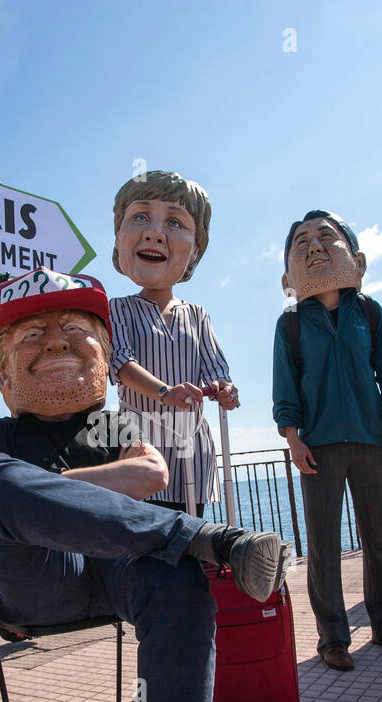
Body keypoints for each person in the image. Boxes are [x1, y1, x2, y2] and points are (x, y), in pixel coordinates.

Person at [0, 269, 291, 702]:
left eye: (74, 329)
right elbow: (4, 500)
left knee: (179, 582)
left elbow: (153, 475)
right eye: (33, 333)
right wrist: (62, 499)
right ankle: (206, 538)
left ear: (105, 353)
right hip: (37, 584)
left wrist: (44, 499)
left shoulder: (113, 424)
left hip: (118, 570)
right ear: (4, 371)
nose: (57, 343)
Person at [272, 210, 382, 672]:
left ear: (354, 256)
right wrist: (293, 439)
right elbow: (285, 387)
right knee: (323, 545)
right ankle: (332, 638)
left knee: (379, 538)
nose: (314, 245)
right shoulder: (292, 322)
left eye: (326, 236)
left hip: (370, 440)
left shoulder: (368, 312)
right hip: (318, 446)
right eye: (301, 240)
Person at [108, 171, 237, 518]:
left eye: (175, 223)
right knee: (145, 534)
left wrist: (223, 388)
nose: (154, 233)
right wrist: (165, 392)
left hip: (191, 448)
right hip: (141, 444)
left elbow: (215, 369)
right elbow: (120, 364)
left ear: (195, 251)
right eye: (140, 217)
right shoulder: (118, 308)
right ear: (119, 238)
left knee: (192, 531)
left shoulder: (197, 314)